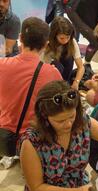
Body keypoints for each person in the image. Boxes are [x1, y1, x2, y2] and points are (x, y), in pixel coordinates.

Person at [0, 17, 62, 161]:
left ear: (20, 38)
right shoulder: (52, 74)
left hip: (3, 135)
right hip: (33, 141)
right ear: (46, 44)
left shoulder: (2, 65)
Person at [45, 0, 98, 68]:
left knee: (89, 41)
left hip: (86, 13)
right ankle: (84, 64)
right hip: (76, 11)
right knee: (92, 40)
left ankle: (85, 65)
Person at [42, 16, 84, 88]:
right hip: (48, 78)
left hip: (65, 77)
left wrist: (76, 82)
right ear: (54, 35)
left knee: (69, 58)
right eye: (62, 38)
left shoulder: (72, 42)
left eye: (68, 37)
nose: (65, 41)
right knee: (57, 65)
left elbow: (81, 67)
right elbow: (40, 67)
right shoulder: (46, 43)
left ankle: (65, 84)